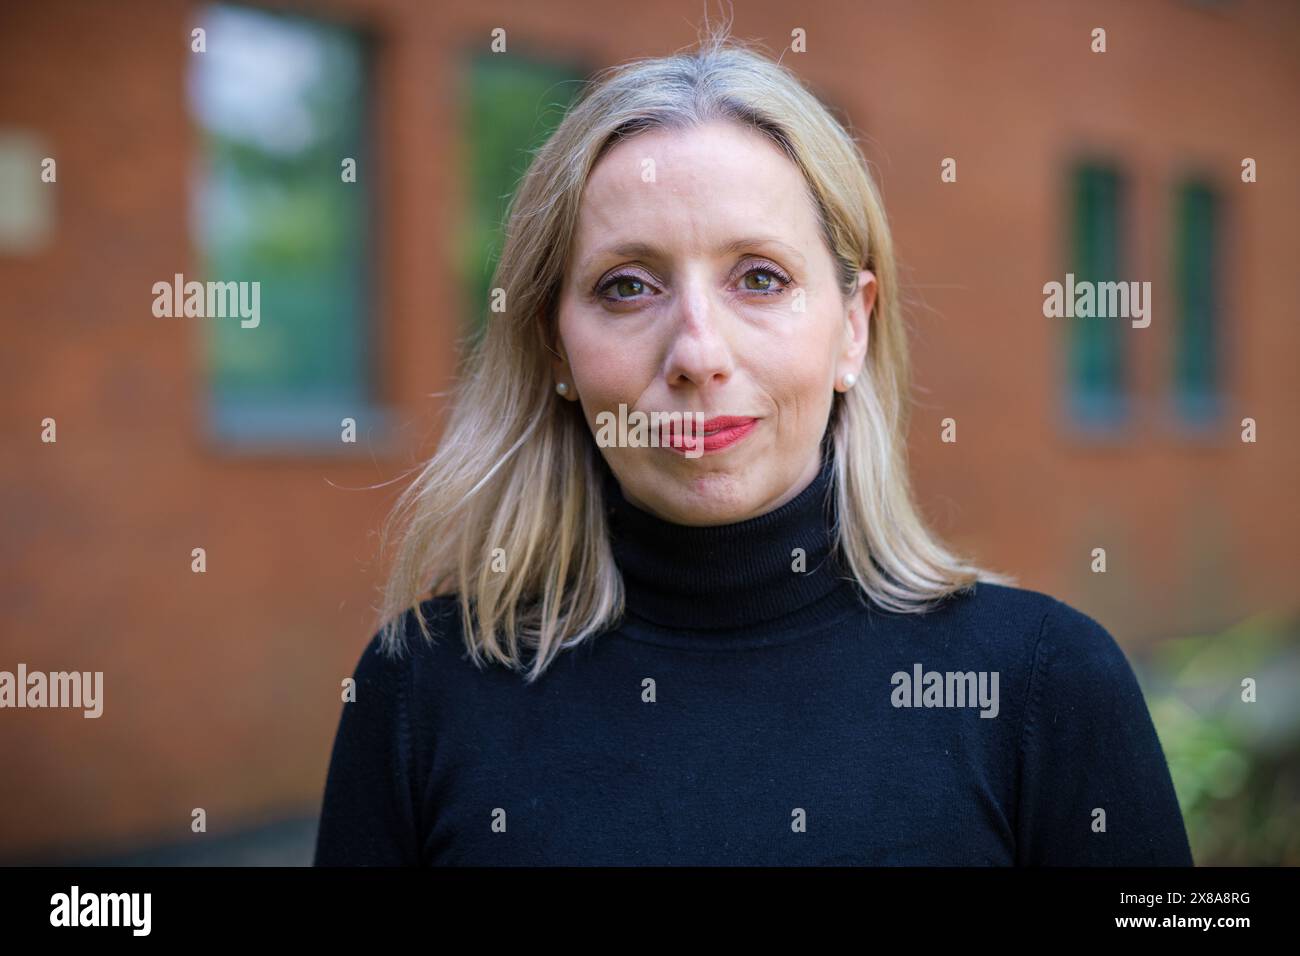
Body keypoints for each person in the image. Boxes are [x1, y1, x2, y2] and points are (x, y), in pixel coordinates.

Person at [313, 29, 1193, 867]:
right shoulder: (421, 690)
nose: (699, 354)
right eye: (626, 287)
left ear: (853, 328)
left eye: (760, 279)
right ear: (556, 350)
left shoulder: (1043, 686)